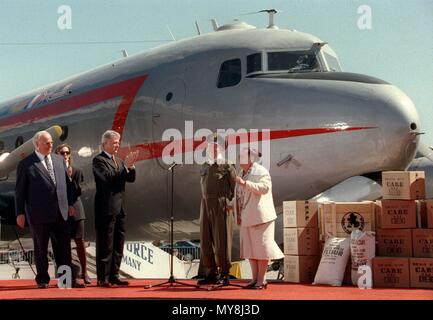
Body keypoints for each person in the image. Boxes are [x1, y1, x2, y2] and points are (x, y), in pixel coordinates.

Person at [15, 131, 85, 288]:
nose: (50, 145)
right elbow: (20, 191)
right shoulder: (26, 164)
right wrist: (19, 212)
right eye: (47, 142)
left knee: (64, 248)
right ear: (37, 144)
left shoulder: (59, 160)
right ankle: (42, 280)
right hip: (38, 213)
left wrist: (70, 204)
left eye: (51, 142)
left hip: (61, 211)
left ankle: (66, 280)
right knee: (41, 248)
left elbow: (67, 186)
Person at [92, 130, 138, 287]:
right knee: (106, 244)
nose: (117, 145)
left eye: (118, 142)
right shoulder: (99, 160)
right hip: (106, 208)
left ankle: (114, 275)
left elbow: (130, 179)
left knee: (118, 243)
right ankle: (102, 278)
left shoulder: (118, 160)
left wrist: (130, 166)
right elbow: (108, 178)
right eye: (114, 142)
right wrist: (125, 166)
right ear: (105, 143)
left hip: (120, 207)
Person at [234, 148, 284, 289]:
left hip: (260, 217)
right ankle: (254, 278)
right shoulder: (241, 173)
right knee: (250, 250)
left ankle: (261, 280)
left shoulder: (261, 171)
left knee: (261, 249)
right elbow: (239, 196)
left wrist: (245, 184)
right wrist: (230, 205)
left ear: (251, 158)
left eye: (243, 156)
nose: (240, 158)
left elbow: (265, 188)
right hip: (246, 217)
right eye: (240, 156)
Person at [197, 133, 236, 286]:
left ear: (221, 147)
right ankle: (211, 272)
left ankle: (224, 273)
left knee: (222, 239)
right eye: (208, 146)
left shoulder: (227, 166)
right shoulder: (205, 165)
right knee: (205, 239)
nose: (211, 149)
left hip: (221, 204)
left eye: (214, 146)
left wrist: (230, 204)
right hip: (205, 203)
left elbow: (235, 189)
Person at [55, 143, 91, 284]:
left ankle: (85, 272)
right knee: (64, 244)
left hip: (76, 209)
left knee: (80, 241)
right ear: (56, 155)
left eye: (67, 153)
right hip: (61, 210)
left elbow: (79, 191)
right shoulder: (54, 172)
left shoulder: (76, 171)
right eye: (62, 153)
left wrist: (70, 178)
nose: (65, 155)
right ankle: (68, 276)